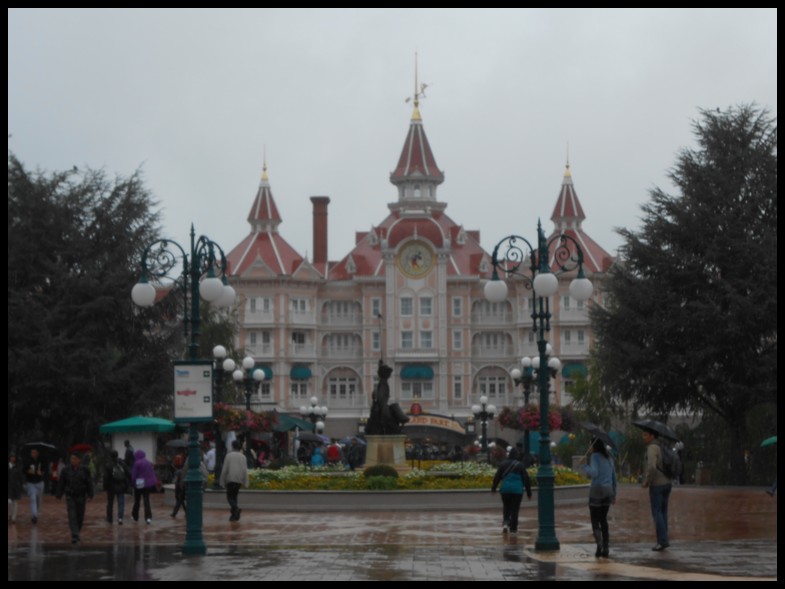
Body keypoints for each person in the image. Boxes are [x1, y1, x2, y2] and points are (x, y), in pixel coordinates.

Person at [582, 438, 617, 558]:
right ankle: (606, 547)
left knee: (595, 520)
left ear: (594, 446)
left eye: (590, 445)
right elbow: (614, 478)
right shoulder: (609, 458)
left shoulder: (594, 456)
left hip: (597, 490)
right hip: (608, 491)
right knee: (604, 520)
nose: (590, 448)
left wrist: (585, 466)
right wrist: (614, 494)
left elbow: (594, 473)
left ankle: (599, 544)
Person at [641, 428, 672, 551]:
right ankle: (663, 539)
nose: (644, 437)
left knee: (657, 513)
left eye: (645, 434)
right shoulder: (662, 446)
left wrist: (647, 481)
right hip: (667, 483)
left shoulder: (652, 448)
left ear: (652, 436)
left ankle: (663, 541)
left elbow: (652, 467)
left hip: (657, 485)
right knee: (663, 512)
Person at [491, 447, 532, 535]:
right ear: (517, 455)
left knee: (506, 507)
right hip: (517, 491)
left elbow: (497, 477)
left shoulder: (503, 464)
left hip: (505, 490)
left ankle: (506, 523)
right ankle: (513, 529)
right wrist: (529, 492)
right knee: (515, 509)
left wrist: (493, 488)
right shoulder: (520, 465)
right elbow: (526, 479)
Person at [56, 453, 94, 544]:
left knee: (80, 516)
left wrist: (90, 495)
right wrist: (59, 495)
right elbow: (62, 483)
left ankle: (77, 531)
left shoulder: (85, 470)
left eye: (75, 459)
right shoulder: (66, 470)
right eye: (71, 459)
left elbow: (89, 483)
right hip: (70, 496)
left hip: (81, 496)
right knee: (72, 515)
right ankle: (75, 534)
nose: (73, 461)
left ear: (79, 460)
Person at [219, 440, 249, 521]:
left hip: (230, 479)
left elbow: (225, 469)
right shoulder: (243, 457)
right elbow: (245, 470)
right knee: (234, 496)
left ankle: (236, 509)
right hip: (238, 479)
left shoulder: (229, 456)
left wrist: (222, 480)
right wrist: (246, 481)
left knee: (229, 497)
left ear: (232, 446)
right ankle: (235, 515)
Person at [130, 449, 158, 524]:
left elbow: (134, 475)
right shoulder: (148, 463)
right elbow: (152, 473)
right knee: (146, 500)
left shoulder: (137, 463)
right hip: (148, 484)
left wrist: (132, 483)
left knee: (137, 500)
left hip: (139, 483)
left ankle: (135, 516)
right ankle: (148, 517)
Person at [103, 450, 130, 525]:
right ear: (117, 455)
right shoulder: (121, 463)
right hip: (121, 486)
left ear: (110, 456)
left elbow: (105, 477)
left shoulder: (108, 465)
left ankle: (110, 519)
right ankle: (120, 518)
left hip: (111, 487)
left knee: (110, 503)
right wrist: (127, 483)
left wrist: (105, 487)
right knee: (121, 503)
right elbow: (128, 473)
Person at [23, 448, 47, 524]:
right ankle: (34, 515)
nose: (33, 453)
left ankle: (36, 511)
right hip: (31, 482)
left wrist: (41, 473)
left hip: (40, 482)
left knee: (38, 500)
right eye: (32, 452)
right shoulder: (28, 461)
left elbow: (45, 470)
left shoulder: (41, 461)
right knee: (33, 499)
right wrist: (28, 471)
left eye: (34, 452)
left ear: (37, 453)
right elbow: (24, 469)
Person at [8, 453, 25, 524]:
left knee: (14, 502)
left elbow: (21, 477)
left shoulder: (18, 467)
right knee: (9, 502)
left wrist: (21, 485)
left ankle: (13, 517)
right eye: (11, 457)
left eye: (14, 457)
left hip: (15, 487)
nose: (12, 458)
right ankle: (9, 515)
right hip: (8, 487)